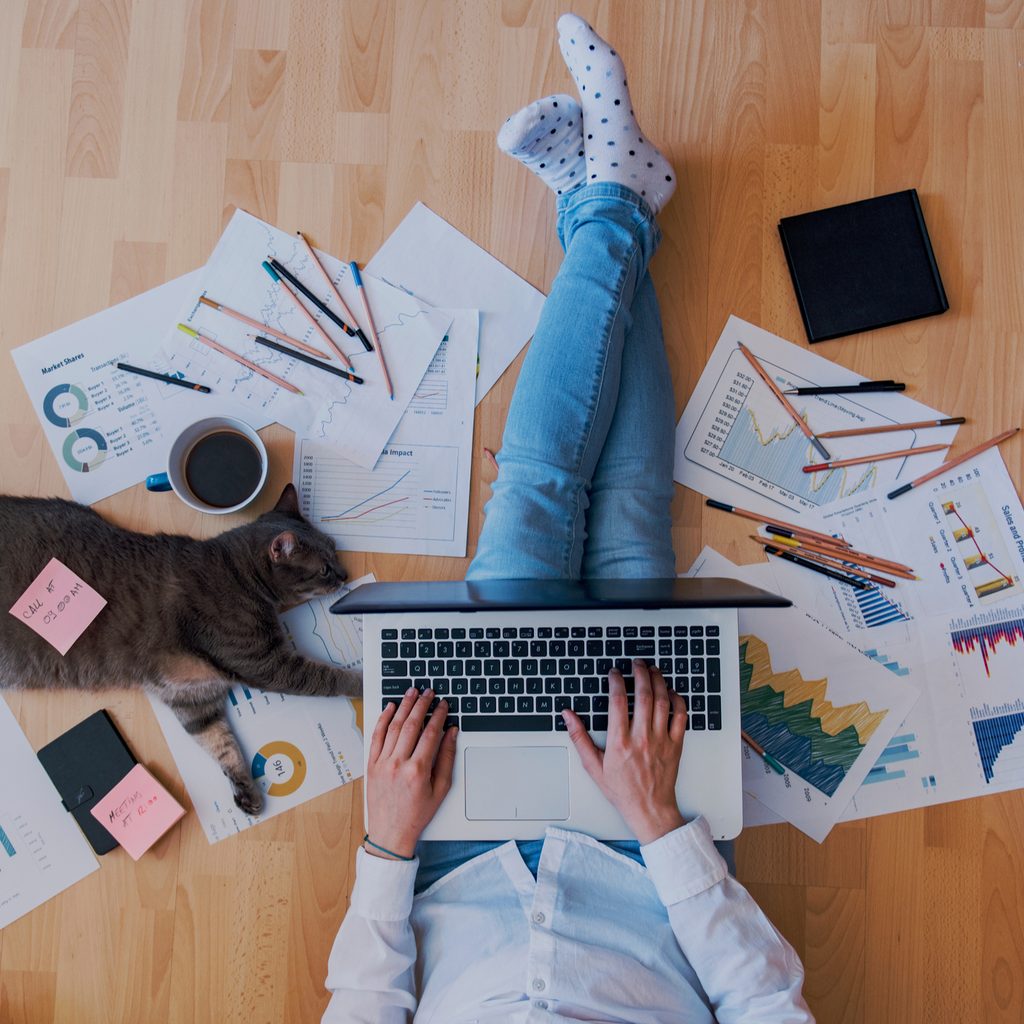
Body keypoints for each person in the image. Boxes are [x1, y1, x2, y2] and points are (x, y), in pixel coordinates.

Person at [321, 14, 814, 1023]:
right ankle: (610, 203)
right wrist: (660, 824)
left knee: (542, 499)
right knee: (626, 517)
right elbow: (764, 1000)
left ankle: (613, 200)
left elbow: (363, 1003)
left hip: (453, 849)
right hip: (648, 857)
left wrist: (385, 844)